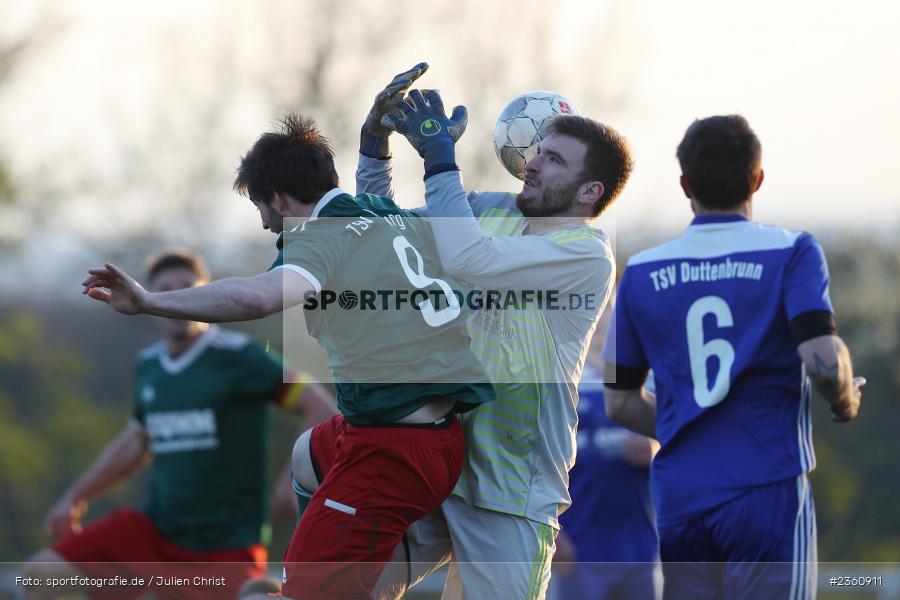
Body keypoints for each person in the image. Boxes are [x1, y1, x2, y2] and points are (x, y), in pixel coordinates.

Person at [80, 115, 495, 599]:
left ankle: (328, 574)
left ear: (278, 197)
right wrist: (375, 140)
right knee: (306, 456)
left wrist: (149, 300)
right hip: (425, 435)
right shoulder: (377, 210)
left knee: (301, 590)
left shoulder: (318, 238)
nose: (262, 222)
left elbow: (257, 298)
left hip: (393, 453)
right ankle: (346, 561)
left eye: (260, 205)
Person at [346, 70, 634, 600]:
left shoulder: (586, 253)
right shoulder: (487, 210)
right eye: (538, 151)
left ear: (589, 192)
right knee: (343, 581)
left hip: (511, 494)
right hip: (438, 464)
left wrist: (438, 158)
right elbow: (380, 236)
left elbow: (468, 258)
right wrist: (374, 149)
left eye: (553, 159)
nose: (533, 162)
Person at [602, 115, 865, 599]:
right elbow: (822, 358)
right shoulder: (792, 252)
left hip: (682, 496)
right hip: (767, 486)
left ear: (685, 185)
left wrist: (693, 426)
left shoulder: (641, 271)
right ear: (758, 179)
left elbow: (620, 403)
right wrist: (845, 397)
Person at [23, 248, 336, 600]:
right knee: (41, 577)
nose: (177, 298)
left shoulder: (241, 358)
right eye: (166, 290)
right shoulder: (150, 366)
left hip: (226, 547)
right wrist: (77, 496)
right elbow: (138, 440)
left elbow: (321, 407)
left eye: (188, 288)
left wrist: (293, 482)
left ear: (205, 295)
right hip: (154, 535)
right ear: (150, 300)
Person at [550, 295, 660, 600]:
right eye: (595, 323)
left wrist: (654, 448)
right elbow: (538, 466)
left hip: (638, 549)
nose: (601, 331)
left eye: (609, 322)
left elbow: (680, 451)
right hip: (579, 549)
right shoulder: (562, 388)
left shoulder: (645, 385)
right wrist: (554, 534)